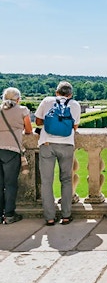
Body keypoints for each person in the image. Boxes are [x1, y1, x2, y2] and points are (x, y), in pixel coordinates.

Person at [35, 81, 81, 226]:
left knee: (47, 182)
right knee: (66, 180)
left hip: (47, 143)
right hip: (66, 144)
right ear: (70, 94)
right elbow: (74, 126)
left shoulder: (47, 101)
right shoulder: (75, 104)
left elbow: (38, 121)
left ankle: (49, 217)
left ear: (57, 92)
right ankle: (66, 215)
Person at [0, 87, 33, 224]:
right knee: (10, 184)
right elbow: (29, 130)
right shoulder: (22, 110)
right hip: (12, 150)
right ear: (18, 99)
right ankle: (9, 215)